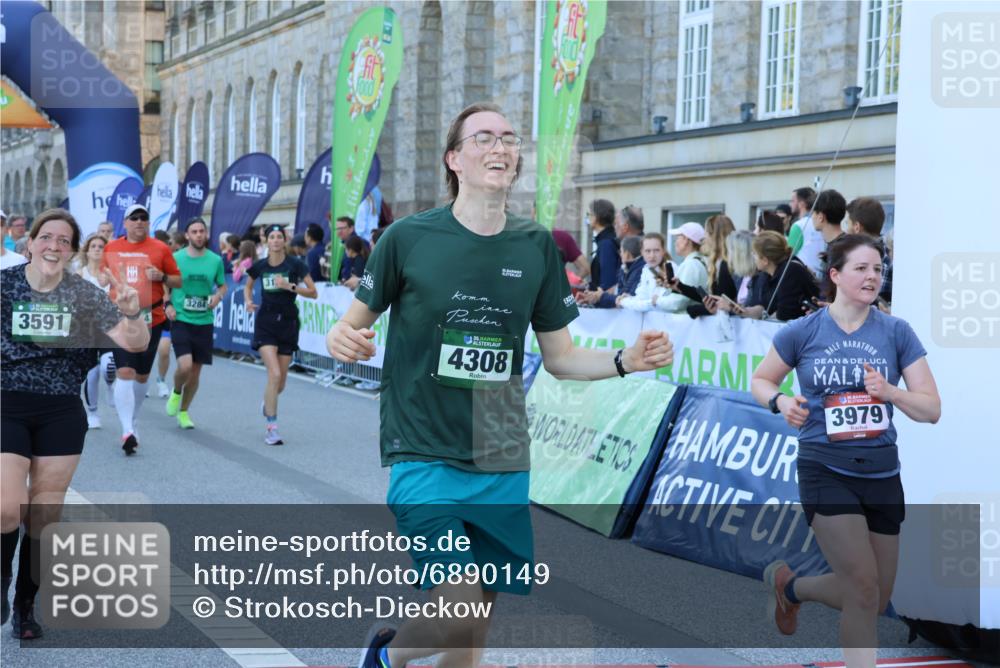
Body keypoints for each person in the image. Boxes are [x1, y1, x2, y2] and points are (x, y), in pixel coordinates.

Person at [325, 102, 674, 668]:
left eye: (509, 139)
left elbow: (561, 358)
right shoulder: (407, 238)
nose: (500, 147)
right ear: (454, 159)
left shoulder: (535, 245)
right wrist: (342, 337)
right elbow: (350, 323)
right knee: (459, 608)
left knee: (474, 626)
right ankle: (386, 657)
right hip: (424, 451)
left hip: (501, 454)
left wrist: (625, 360)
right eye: (483, 138)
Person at [750, 234, 940, 667]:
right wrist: (781, 402)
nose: (873, 277)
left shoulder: (896, 331)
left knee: (875, 597)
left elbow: (931, 409)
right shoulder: (803, 331)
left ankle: (790, 588)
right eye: (862, 268)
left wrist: (890, 392)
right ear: (835, 275)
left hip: (882, 473)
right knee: (862, 588)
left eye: (878, 270)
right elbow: (761, 380)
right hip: (825, 467)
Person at [1, 208, 149, 639]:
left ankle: (25, 605)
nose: (54, 246)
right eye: (46, 237)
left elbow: (134, 343)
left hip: (61, 409)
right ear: (30, 243)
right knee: (7, 508)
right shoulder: (5, 286)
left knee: (44, 515)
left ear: (72, 251)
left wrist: (133, 314)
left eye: (64, 240)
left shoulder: (84, 294)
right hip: (6, 402)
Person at [102, 203, 182, 455]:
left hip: (151, 317)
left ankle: (133, 419)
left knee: (142, 375)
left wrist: (162, 277)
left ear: (148, 223)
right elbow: (102, 277)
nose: (139, 221)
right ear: (125, 222)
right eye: (134, 218)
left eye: (143, 218)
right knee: (125, 370)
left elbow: (178, 280)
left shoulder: (160, 248)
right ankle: (127, 430)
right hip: (120, 317)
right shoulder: (111, 247)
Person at [244, 224, 317, 445]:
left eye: (279, 236)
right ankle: (272, 428)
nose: (275, 240)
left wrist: (290, 286)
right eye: (272, 237)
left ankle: (268, 402)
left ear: (284, 240)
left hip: (288, 322)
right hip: (266, 322)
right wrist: (248, 301)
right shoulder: (260, 265)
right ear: (266, 241)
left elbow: (313, 292)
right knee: (274, 374)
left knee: (280, 383)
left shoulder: (295, 264)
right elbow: (248, 286)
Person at [162, 218, 227, 429]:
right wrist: (167, 304)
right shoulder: (176, 258)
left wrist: (217, 297)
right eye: (194, 231)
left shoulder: (215, 260)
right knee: (185, 365)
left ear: (206, 234)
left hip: (204, 321)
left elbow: (222, 285)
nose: (198, 235)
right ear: (187, 235)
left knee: (195, 372)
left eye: (201, 231)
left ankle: (183, 411)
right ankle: (176, 391)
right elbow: (164, 284)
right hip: (181, 318)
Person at [716, 231, 818, 321]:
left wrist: (764, 320)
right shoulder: (766, 274)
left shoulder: (790, 271)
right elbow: (763, 308)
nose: (752, 258)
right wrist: (743, 311)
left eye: (754, 254)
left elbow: (784, 314)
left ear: (765, 260)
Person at [77, 233, 117, 429]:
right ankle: (92, 413)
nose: (97, 250)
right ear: (87, 251)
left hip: (109, 326)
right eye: (93, 246)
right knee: (92, 373)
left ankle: (110, 385)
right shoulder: (80, 274)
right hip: (87, 329)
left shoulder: (111, 274)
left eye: (101, 246)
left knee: (109, 364)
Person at [684, 214, 737, 317]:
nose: (704, 237)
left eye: (706, 232)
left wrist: (693, 310)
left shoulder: (726, 265)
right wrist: (678, 287)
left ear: (715, 236)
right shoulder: (719, 262)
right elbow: (712, 300)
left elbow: (719, 305)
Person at [846, 197, 891, 305]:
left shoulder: (879, 258)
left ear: (857, 227)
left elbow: (870, 302)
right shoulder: (885, 255)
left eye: (847, 224)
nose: (846, 230)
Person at [656, 222, 709, 313]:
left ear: (686, 240)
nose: (675, 242)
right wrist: (669, 288)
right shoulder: (701, 261)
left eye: (678, 237)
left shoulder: (691, 264)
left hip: (687, 319)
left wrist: (657, 300)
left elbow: (679, 302)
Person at [577, 235, 643, 308]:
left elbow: (624, 297)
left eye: (621, 251)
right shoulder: (627, 268)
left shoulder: (639, 270)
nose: (620, 254)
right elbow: (619, 295)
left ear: (627, 254)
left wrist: (600, 297)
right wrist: (594, 297)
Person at [620, 233, 674, 312]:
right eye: (648, 251)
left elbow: (656, 304)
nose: (652, 255)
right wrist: (630, 298)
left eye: (656, 250)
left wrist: (625, 302)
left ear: (663, 251)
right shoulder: (646, 268)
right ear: (642, 252)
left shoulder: (670, 267)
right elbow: (643, 297)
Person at [787, 187, 826, 278]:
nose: (790, 204)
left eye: (792, 201)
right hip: (822, 277)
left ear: (801, 204)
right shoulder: (823, 222)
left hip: (802, 277)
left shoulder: (798, 225)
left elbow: (788, 255)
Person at [586, 199, 618, 291]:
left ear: (596, 217)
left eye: (589, 214)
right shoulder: (606, 240)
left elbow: (607, 282)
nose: (588, 217)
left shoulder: (606, 243)